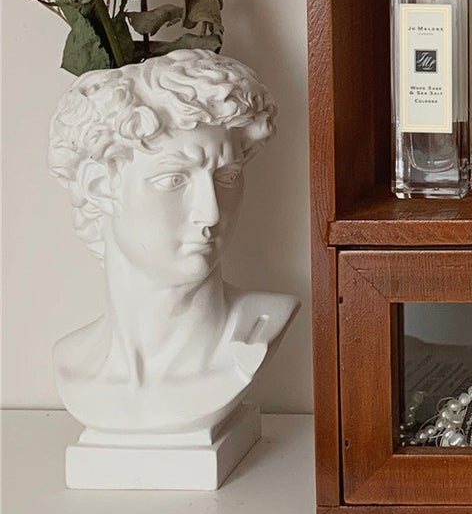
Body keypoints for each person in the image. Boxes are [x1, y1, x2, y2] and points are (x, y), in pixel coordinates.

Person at [47, 50, 297, 437]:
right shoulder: (72, 362)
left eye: (227, 177)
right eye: (174, 180)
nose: (210, 213)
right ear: (99, 187)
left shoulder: (260, 330)